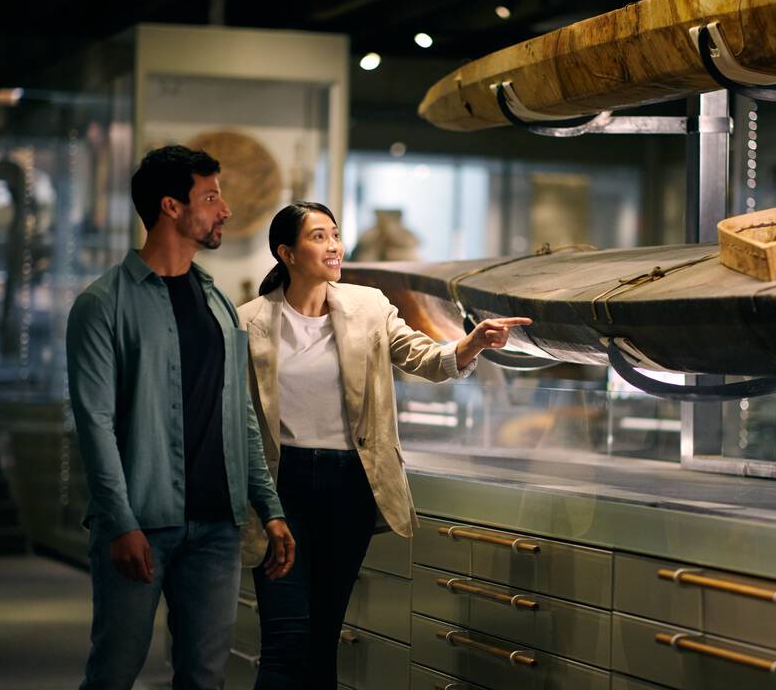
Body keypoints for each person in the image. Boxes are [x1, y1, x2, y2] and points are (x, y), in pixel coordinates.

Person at [238, 201, 530, 689]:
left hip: (349, 484)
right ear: (285, 252)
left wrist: (471, 343)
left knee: (324, 635)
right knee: (286, 636)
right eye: (318, 237)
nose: (333, 246)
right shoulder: (248, 321)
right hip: (279, 487)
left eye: (334, 234)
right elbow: (240, 418)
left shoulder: (368, 305)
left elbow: (422, 357)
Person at [67, 145, 295, 690]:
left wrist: (269, 505)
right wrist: (120, 522)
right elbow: (94, 423)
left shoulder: (216, 302)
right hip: (142, 520)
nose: (225, 210)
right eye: (211, 197)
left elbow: (237, 413)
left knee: (205, 677)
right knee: (114, 671)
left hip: (217, 523)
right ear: (171, 207)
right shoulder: (103, 304)